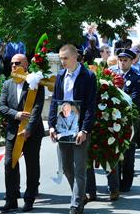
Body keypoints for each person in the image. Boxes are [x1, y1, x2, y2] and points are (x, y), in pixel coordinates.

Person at [48, 45, 97, 214]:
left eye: (65, 58)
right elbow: (55, 101)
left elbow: (91, 105)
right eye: (61, 58)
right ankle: (80, 195)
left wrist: (85, 130)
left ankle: (76, 205)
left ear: (75, 57)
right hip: (62, 126)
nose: (62, 62)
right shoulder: (61, 75)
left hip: (80, 127)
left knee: (79, 168)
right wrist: (52, 125)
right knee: (67, 168)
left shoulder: (88, 75)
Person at [0, 54, 45, 212]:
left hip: (31, 132)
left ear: (26, 65)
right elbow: (2, 106)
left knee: (31, 166)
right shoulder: (7, 84)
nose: (13, 65)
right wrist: (16, 114)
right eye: (11, 63)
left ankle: (29, 199)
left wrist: (29, 128)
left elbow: (37, 108)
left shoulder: (35, 83)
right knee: (9, 164)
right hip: (13, 132)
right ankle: (11, 199)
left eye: (17, 63)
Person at [106, 48, 140, 193]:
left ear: (132, 61)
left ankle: (126, 183)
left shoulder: (137, 77)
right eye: (120, 60)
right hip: (112, 118)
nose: (122, 63)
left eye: (125, 60)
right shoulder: (112, 73)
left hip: (128, 119)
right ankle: (114, 182)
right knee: (113, 150)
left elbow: (134, 99)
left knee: (127, 152)